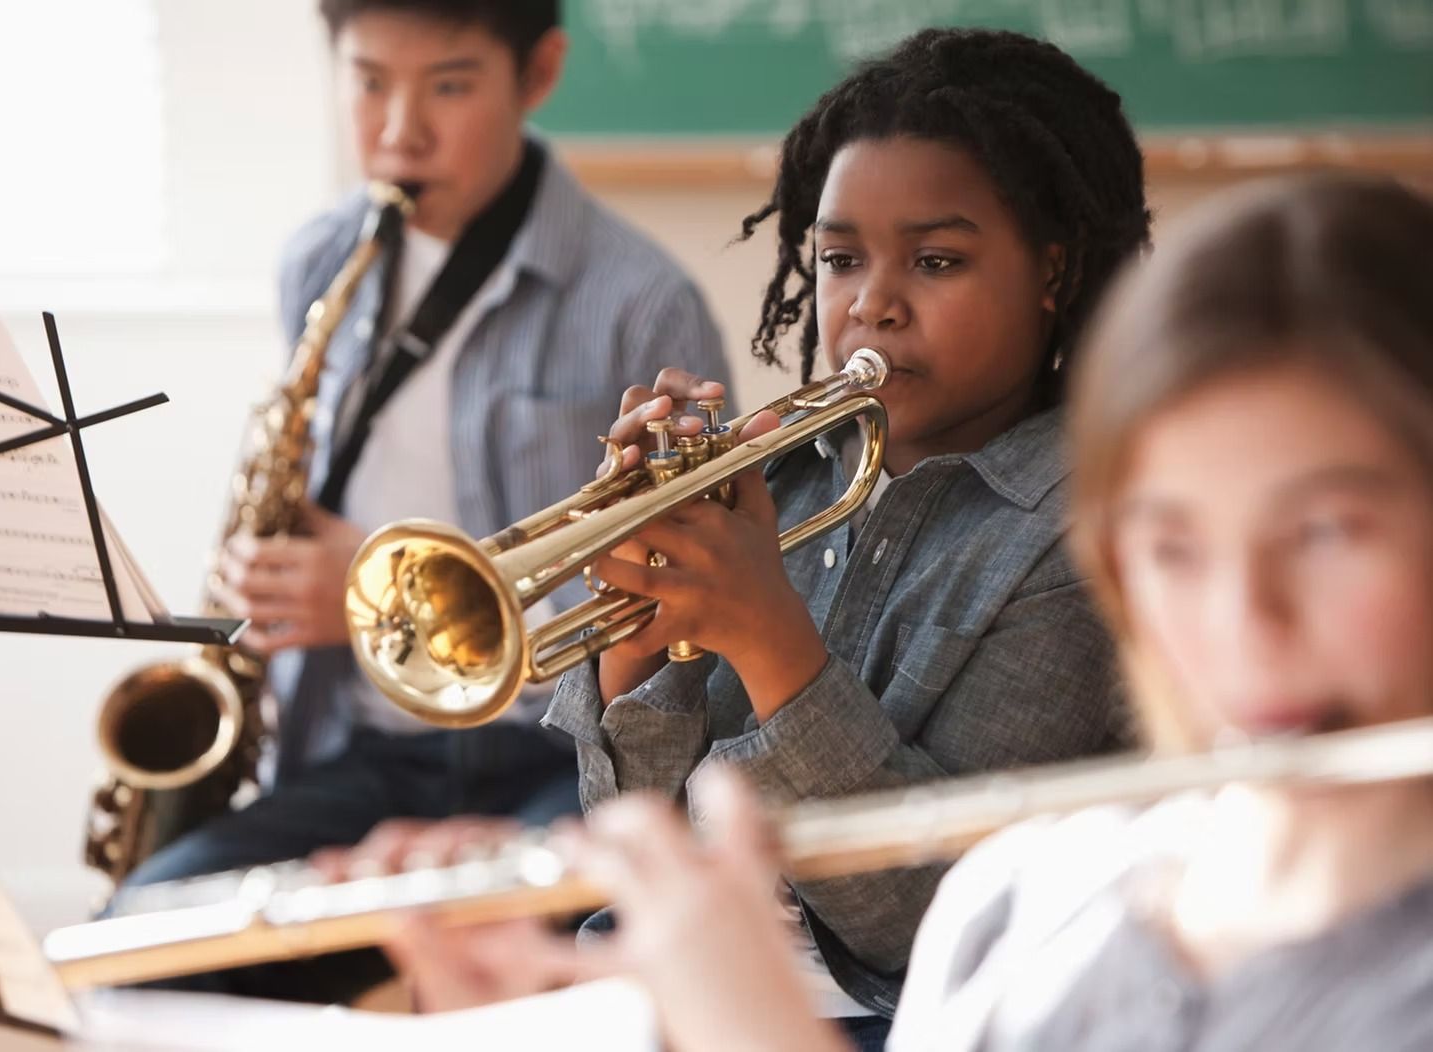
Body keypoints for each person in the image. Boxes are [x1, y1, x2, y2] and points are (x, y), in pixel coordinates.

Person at [389, 173, 1433, 1052]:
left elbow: (890, 917)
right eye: (1173, 547)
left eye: (1326, 532)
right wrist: (641, 632)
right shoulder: (1027, 897)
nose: (1244, 621)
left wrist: (745, 1022)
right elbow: (637, 803)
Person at [336, 26, 1153, 1048]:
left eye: (936, 260)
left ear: (1053, 271)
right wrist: (637, 629)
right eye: (840, 259)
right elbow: (631, 828)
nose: (873, 304)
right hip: (674, 975)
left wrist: (767, 635)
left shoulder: (1093, 528)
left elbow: (930, 919)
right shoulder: (782, 475)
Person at [114, 0, 726, 1004]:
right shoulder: (321, 260)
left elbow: (693, 614)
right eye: (368, 82)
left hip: (559, 761)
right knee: (137, 945)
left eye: (448, 85)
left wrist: (364, 589)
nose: (400, 128)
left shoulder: (642, 299)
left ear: (538, 74)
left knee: (551, 960)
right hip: (367, 753)